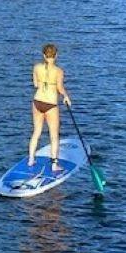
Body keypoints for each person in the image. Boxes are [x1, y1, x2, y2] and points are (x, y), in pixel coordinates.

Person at [28, 42, 73, 172]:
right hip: (51, 104)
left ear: (43, 55)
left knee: (36, 132)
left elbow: (36, 84)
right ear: (56, 55)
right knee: (54, 135)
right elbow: (60, 88)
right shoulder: (59, 71)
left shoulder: (36, 67)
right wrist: (66, 96)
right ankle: (54, 165)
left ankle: (31, 159)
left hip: (37, 101)